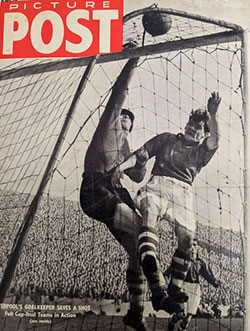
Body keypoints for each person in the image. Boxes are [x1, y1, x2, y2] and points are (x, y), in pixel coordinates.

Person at [80, 57, 179, 331]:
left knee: (136, 251)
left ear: (131, 129)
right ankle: (159, 291)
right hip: (95, 188)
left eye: (129, 120)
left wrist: (142, 160)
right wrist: (133, 62)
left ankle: (135, 313)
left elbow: (137, 176)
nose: (125, 119)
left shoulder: (125, 150)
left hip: (115, 193)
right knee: (140, 229)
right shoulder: (107, 130)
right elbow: (118, 94)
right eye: (123, 116)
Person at [111, 92, 221, 310]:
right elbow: (141, 154)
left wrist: (213, 114)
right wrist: (120, 168)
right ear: (187, 123)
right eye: (191, 123)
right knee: (149, 213)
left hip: (183, 194)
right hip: (158, 185)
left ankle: (174, 288)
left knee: (188, 240)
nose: (193, 128)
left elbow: (216, 139)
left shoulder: (201, 152)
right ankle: (151, 263)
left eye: (199, 127)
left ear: (203, 134)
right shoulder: (167, 139)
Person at [166, 240, 221, 331]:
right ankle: (173, 322)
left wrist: (215, 282)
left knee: (189, 316)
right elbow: (173, 268)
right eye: (191, 245)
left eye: (194, 245)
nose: (193, 247)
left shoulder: (201, 262)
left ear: (197, 247)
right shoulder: (182, 260)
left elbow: (208, 275)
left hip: (195, 288)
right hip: (183, 286)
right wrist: (167, 273)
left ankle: (181, 329)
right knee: (181, 313)